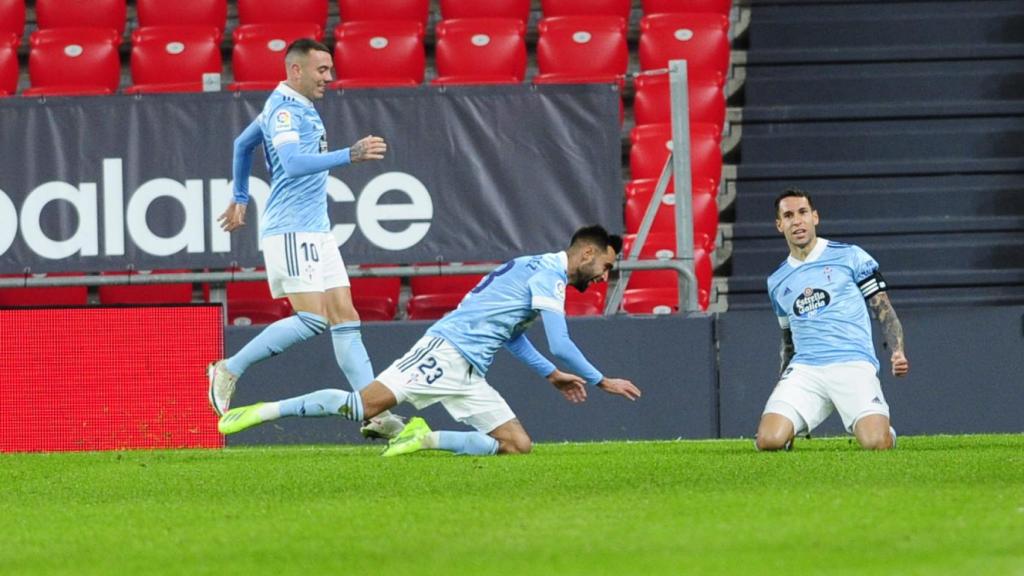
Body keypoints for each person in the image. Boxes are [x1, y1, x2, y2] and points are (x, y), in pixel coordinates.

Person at [217, 225, 643, 456]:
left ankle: (423, 437)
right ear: (586, 254)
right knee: (364, 406)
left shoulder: (533, 269)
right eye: (605, 266)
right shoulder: (548, 276)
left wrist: (549, 375)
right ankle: (262, 410)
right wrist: (602, 380)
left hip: (470, 370)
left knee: (518, 445)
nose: (604, 276)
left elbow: (513, 340)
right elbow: (563, 342)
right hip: (447, 350)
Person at [208, 38, 405, 439]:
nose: (329, 78)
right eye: (321, 70)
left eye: (330, 70)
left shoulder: (296, 106)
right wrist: (349, 155)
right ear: (295, 70)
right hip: (291, 230)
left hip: (316, 229)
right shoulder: (283, 111)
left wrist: (241, 196)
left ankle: (371, 408)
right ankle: (229, 368)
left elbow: (242, 144)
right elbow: (295, 164)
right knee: (313, 319)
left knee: (346, 316)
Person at [755, 188, 909, 451]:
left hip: (853, 363)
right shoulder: (777, 281)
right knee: (768, 441)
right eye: (789, 215)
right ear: (780, 224)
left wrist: (897, 351)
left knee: (875, 443)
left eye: (803, 212)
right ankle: (791, 426)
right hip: (807, 370)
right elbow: (788, 339)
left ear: (815, 217)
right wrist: (783, 379)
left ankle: (885, 432)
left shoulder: (851, 256)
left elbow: (883, 309)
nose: (797, 221)